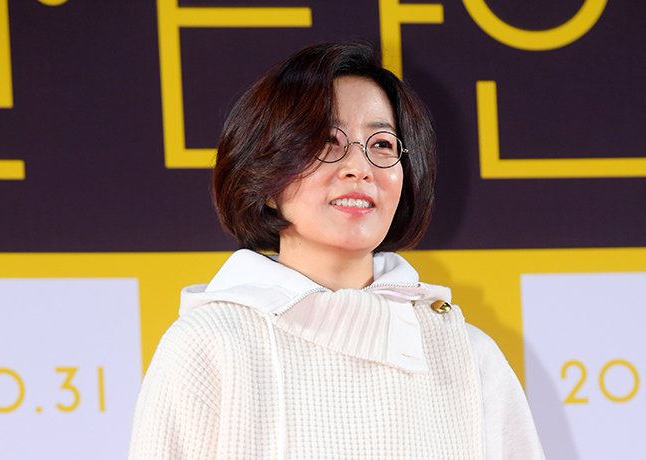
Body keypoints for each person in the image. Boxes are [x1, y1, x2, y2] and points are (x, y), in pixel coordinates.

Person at [128, 42, 545, 459]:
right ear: (266, 178)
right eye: (327, 140)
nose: (359, 168)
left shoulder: (468, 356)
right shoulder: (208, 346)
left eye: (382, 144)